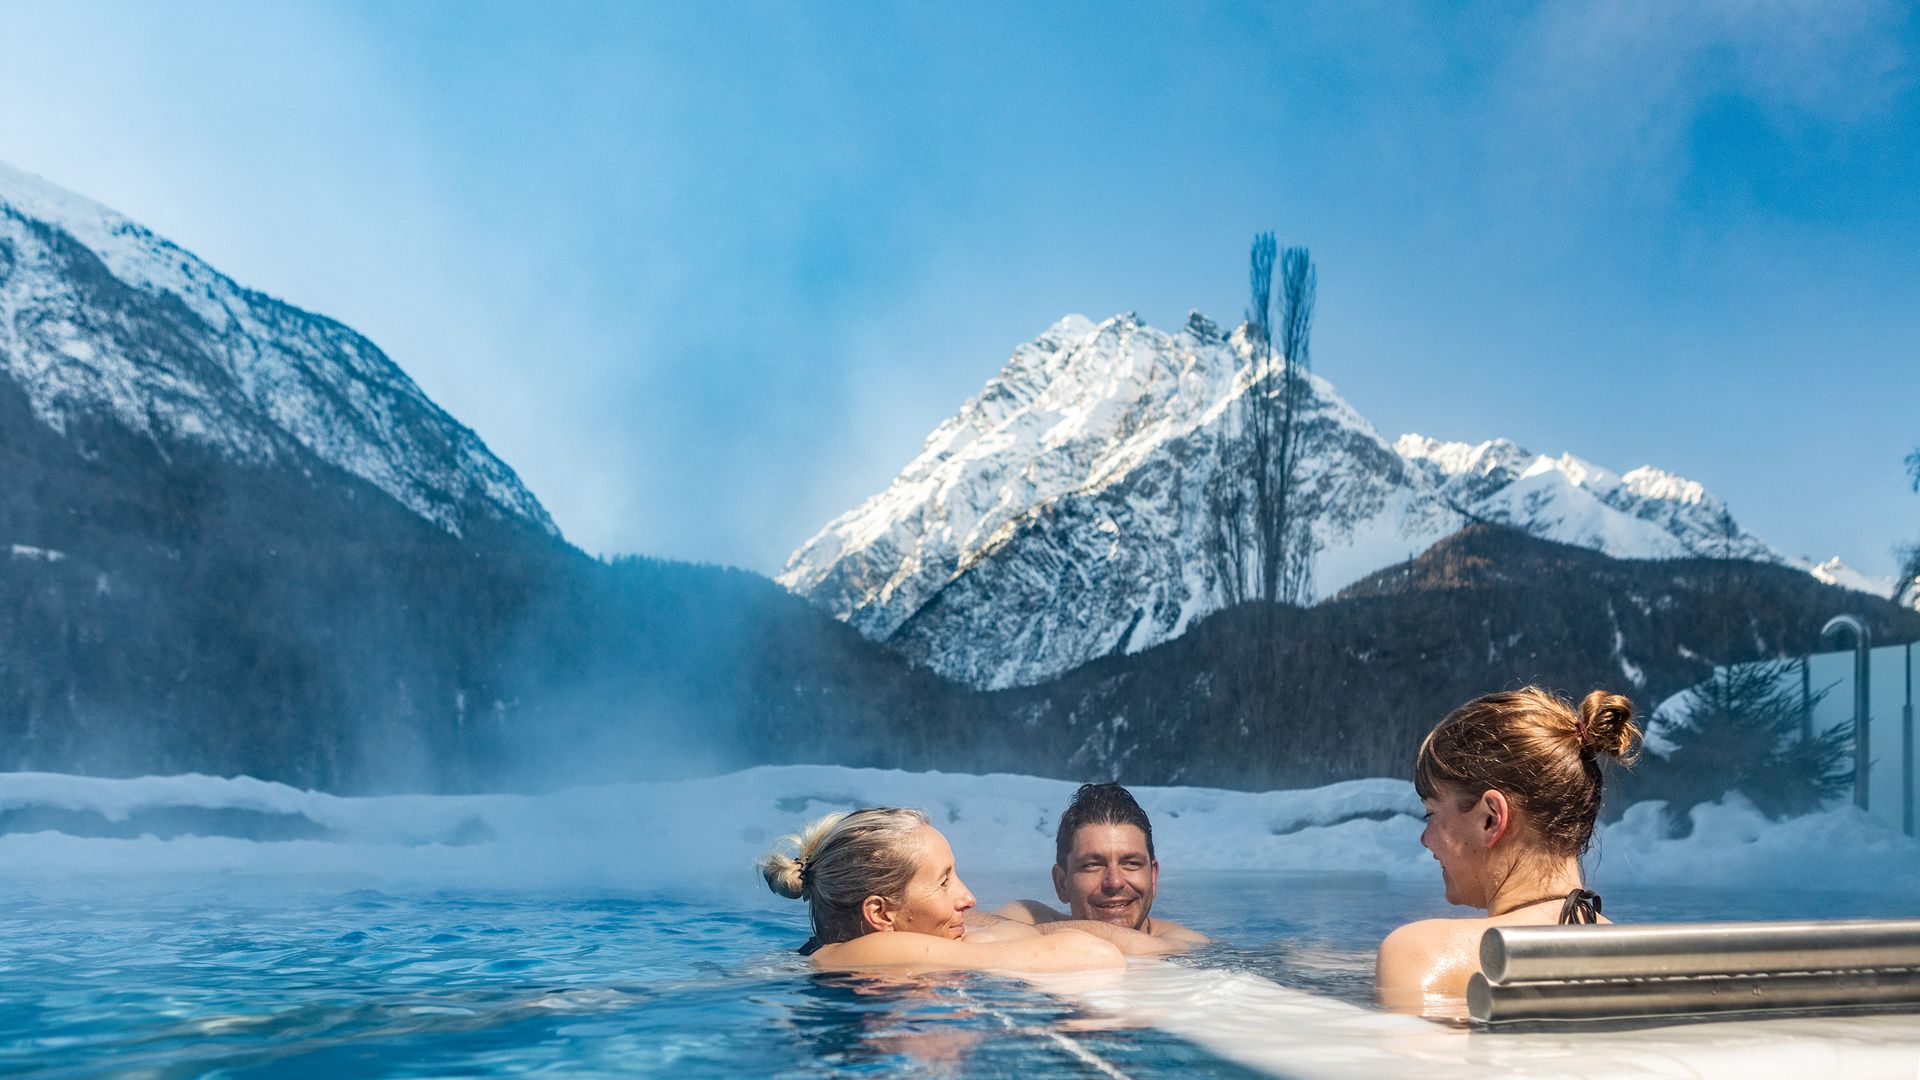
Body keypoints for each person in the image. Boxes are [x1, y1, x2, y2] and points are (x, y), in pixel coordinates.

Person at [1375, 687, 1639, 1012]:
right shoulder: (1647, 964)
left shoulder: (1422, 955)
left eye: (1431, 814)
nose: (1424, 839)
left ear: (1491, 819)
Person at [759, 806, 1124, 972]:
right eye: (944, 881)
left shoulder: (831, 954)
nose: (968, 897)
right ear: (880, 914)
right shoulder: (854, 955)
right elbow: (1096, 955)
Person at [993, 782, 1207, 951]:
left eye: (1131, 864)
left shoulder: (1188, 945)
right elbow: (971, 922)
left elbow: (1145, 949)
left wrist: (1025, 933)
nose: (1114, 881)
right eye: (1092, 865)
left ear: (1153, 877)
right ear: (1061, 883)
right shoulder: (1033, 917)